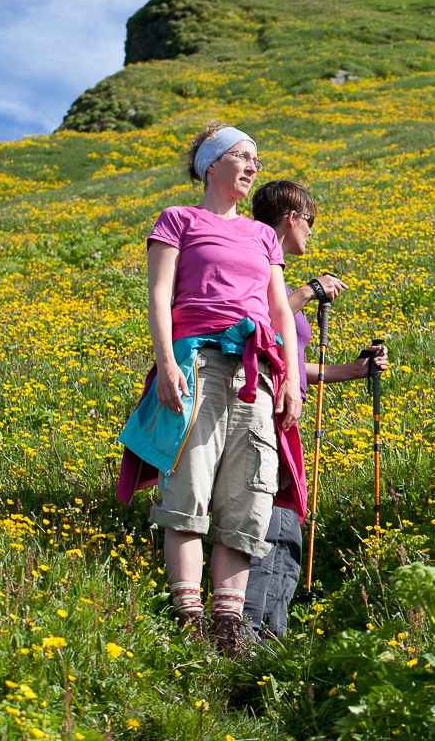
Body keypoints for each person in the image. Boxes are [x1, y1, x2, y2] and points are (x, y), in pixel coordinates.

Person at [116, 121, 304, 658]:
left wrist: (290, 376)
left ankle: (229, 622)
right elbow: (158, 296)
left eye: (256, 160)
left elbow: (279, 315)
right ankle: (188, 615)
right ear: (211, 164)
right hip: (197, 361)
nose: (252, 167)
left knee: (250, 492)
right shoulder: (178, 221)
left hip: (256, 373)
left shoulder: (263, 235)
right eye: (243, 157)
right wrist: (167, 364)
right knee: (190, 484)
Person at [244, 179, 388, 641]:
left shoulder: (278, 273)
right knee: (267, 518)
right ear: (292, 219)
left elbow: (290, 361)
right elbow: (252, 325)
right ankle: (248, 630)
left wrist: (354, 370)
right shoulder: (253, 260)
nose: (311, 232)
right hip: (258, 409)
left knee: (287, 521)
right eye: (310, 222)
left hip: (283, 413)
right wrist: (308, 291)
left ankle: (272, 633)